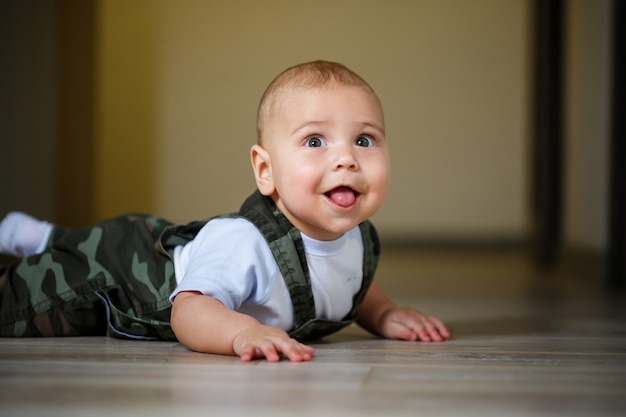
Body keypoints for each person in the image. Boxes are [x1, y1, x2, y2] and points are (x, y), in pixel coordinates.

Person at [0, 60, 450, 362]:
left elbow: (349, 280)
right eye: (315, 141)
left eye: (365, 140)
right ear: (266, 170)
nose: (346, 158)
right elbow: (189, 310)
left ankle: (39, 236)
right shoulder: (245, 245)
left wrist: (385, 313)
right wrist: (241, 333)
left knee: (78, 245)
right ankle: (47, 245)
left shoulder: (356, 237)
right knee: (27, 301)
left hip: (170, 241)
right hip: (126, 278)